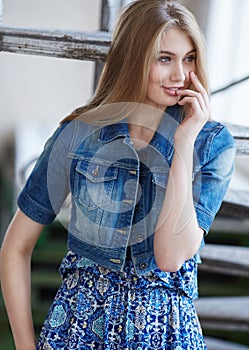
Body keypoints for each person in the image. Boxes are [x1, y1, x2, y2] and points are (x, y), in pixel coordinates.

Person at [0, 0, 236, 349]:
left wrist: (184, 142)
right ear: (133, 58)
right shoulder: (78, 134)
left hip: (164, 335)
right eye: (164, 58)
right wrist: (24, 345)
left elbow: (170, 257)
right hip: (76, 331)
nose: (179, 76)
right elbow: (16, 246)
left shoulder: (211, 144)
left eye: (189, 59)